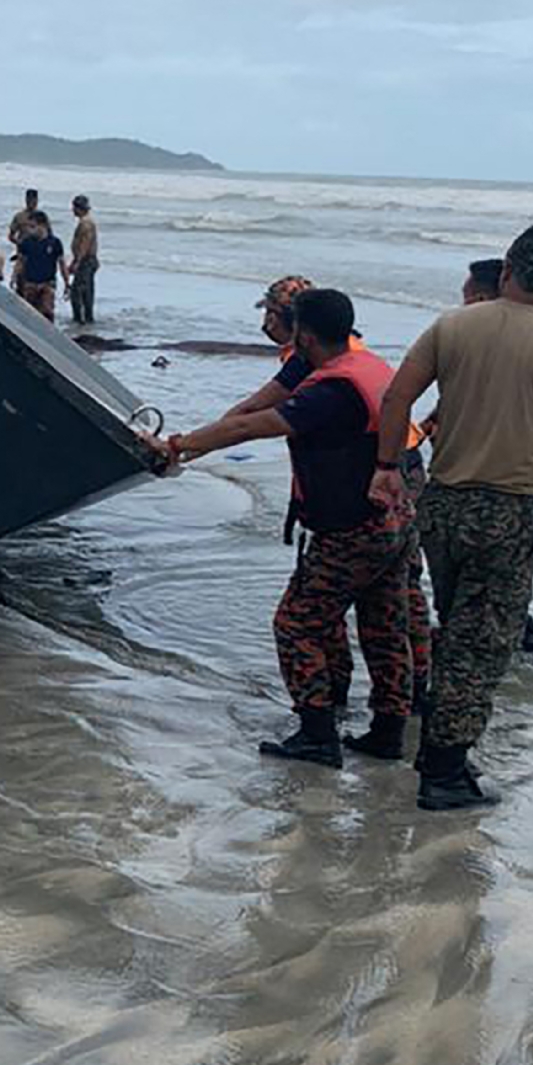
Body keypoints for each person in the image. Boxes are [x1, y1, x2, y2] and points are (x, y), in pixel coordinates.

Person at [373, 226, 533, 812]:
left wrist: (386, 466)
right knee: (479, 647)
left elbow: (396, 397)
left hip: (444, 504)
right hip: (505, 512)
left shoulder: (454, 325)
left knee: (458, 628)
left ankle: (440, 751)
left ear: (507, 267)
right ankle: (445, 773)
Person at [160, 289, 413, 769]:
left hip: (351, 528)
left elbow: (248, 429)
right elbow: (247, 415)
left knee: (296, 625)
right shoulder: (372, 368)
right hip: (395, 519)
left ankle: (317, 734)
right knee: (384, 627)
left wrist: (177, 444)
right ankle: (388, 732)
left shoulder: (329, 393)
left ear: (305, 336)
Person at [437, 255, 533, 664]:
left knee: (477, 594)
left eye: (468, 295)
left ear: (486, 295)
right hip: (511, 493)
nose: (463, 303)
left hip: (474, 493)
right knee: (491, 588)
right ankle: (516, 636)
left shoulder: (466, 335)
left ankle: (507, 644)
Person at [13, 211, 66, 318]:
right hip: (30, 283)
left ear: (43, 226)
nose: (29, 230)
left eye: (33, 226)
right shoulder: (27, 242)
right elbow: (20, 261)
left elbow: (62, 263)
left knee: (47, 313)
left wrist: (67, 282)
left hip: (47, 283)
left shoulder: (54, 243)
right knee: (29, 314)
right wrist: (14, 277)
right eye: (28, 226)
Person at [66, 195, 100, 325]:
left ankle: (80, 319)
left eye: (74, 207)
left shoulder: (86, 223)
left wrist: (77, 262)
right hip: (87, 260)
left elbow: (85, 244)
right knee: (86, 291)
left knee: (78, 292)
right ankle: (87, 318)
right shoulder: (86, 222)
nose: (72, 210)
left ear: (78, 208)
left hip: (86, 261)